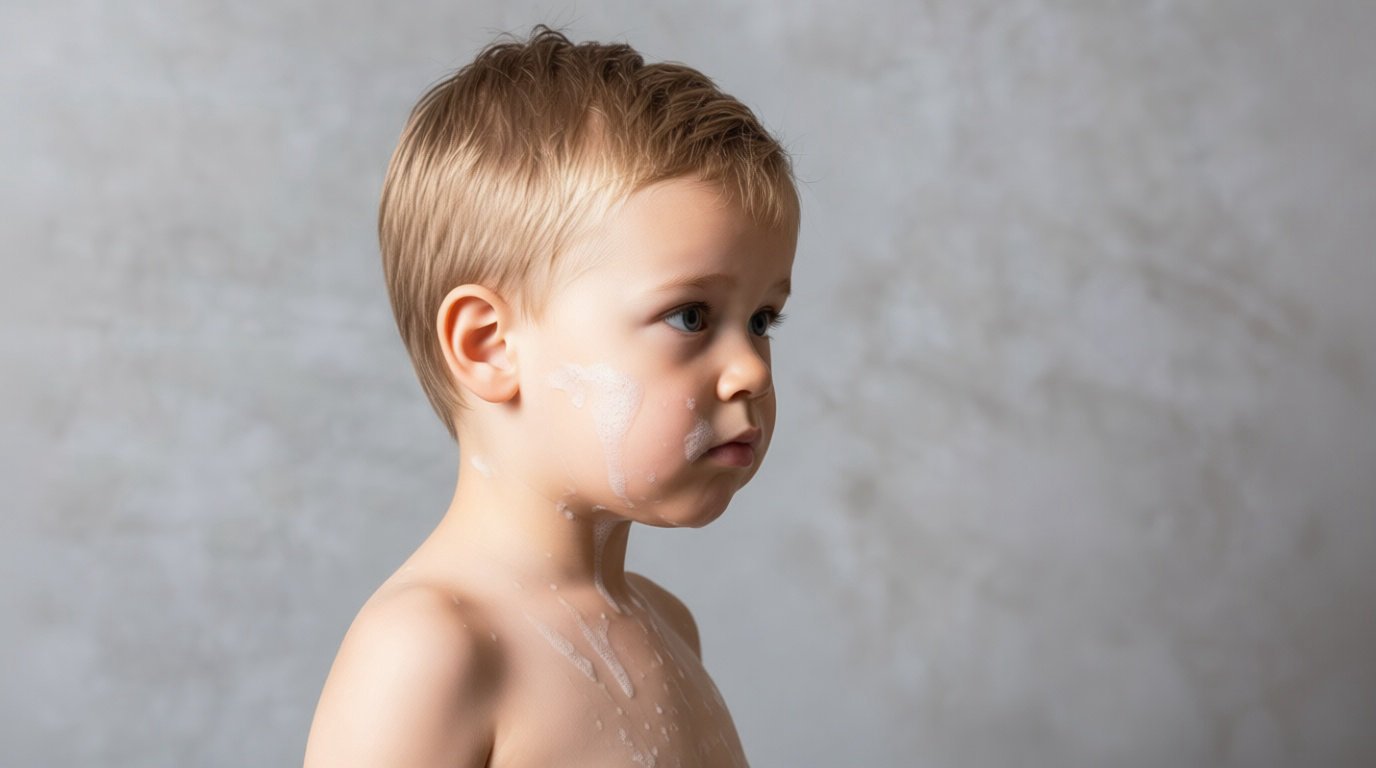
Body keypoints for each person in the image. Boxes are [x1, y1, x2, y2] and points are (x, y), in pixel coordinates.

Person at [304, 25, 799, 767]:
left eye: (762, 320)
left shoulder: (668, 624)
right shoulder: (432, 652)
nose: (752, 371)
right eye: (691, 316)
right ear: (489, 346)